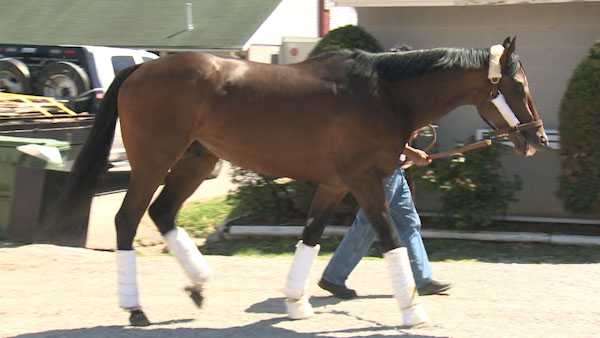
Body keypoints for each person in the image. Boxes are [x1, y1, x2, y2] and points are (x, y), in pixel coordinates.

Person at [318, 144, 451, 299]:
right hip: (382, 170)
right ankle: (333, 277)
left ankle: (422, 279)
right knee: (368, 224)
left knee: (408, 223)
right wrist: (412, 153)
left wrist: (405, 154)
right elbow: (384, 135)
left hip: (394, 171)